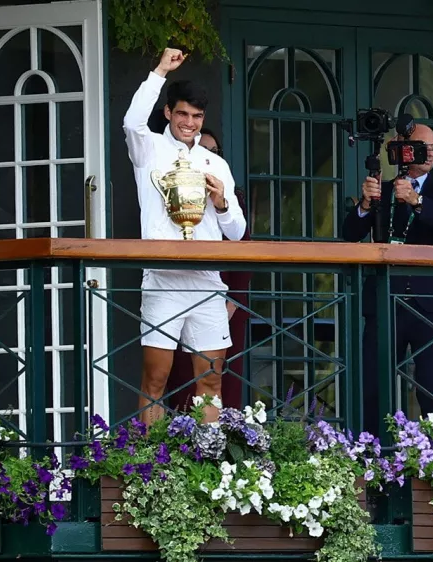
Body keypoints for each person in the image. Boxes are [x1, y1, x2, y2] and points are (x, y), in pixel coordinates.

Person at [124, 48, 247, 424]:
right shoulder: (151, 149)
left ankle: (208, 466)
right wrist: (160, 70)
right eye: (182, 114)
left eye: (196, 116)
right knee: (155, 379)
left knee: (210, 379)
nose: (189, 123)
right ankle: (148, 471)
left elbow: (237, 233)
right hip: (163, 279)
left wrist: (222, 202)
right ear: (168, 113)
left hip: (207, 281)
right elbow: (131, 122)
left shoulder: (217, 164)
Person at [341, 124, 433, 435]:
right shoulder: (383, 189)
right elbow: (349, 234)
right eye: (424, 148)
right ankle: (371, 454)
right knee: (373, 383)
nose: (431, 154)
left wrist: (415, 200)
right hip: (386, 300)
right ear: (405, 151)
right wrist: (365, 205)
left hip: (431, 303)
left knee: (432, 386)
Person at [166, 128, 252, 411]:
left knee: (220, 376)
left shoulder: (231, 199)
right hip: (180, 293)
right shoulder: (171, 193)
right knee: (182, 376)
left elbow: (244, 248)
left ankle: (224, 444)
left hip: (225, 300)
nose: (207, 157)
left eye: (214, 152)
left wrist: (234, 300)